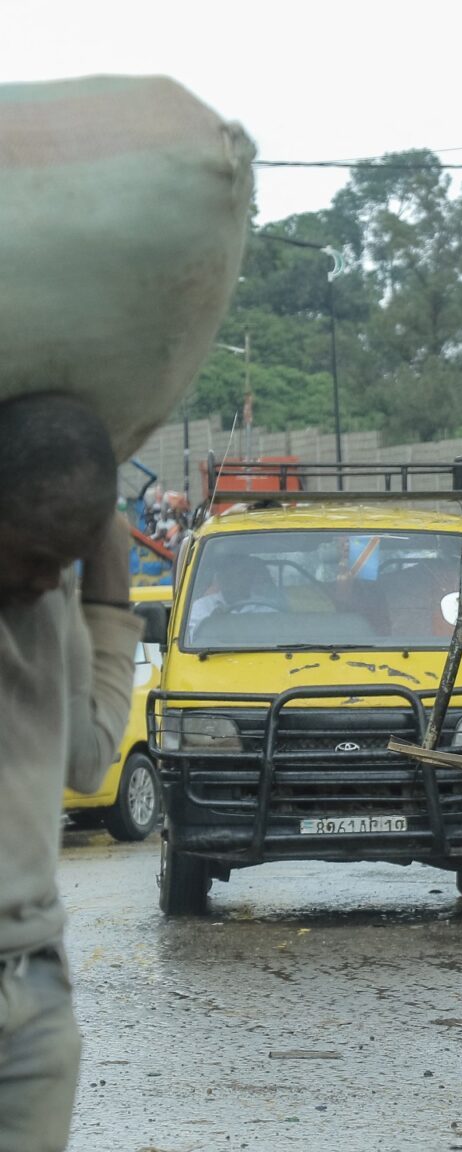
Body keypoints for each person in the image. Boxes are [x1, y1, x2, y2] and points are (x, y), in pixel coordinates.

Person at [0, 393, 140, 1152]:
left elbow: (89, 762)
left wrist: (106, 598)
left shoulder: (51, 603)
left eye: (60, 563)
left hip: (34, 996)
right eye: (28, 556)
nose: (39, 580)